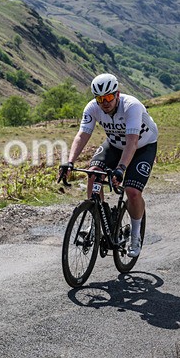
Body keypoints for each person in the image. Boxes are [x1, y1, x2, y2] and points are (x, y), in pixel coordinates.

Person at [58, 73, 158, 257]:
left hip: (142, 146)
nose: (105, 102)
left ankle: (135, 235)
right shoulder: (92, 108)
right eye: (100, 99)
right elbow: (82, 135)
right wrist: (70, 161)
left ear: (117, 94)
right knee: (93, 173)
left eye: (109, 97)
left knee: (133, 192)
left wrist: (120, 169)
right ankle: (96, 221)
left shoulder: (132, 106)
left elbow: (132, 142)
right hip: (114, 144)